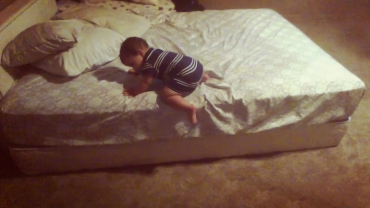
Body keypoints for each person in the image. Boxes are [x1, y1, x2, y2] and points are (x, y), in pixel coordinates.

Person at [119, 37, 209, 124]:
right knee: (179, 68)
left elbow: (145, 82)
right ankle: (203, 77)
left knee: (166, 95)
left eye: (132, 64)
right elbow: (151, 67)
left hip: (188, 76)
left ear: (140, 52)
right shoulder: (155, 52)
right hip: (197, 66)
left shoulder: (148, 64)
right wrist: (137, 70)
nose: (133, 67)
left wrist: (134, 92)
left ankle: (189, 108)